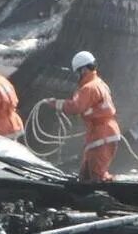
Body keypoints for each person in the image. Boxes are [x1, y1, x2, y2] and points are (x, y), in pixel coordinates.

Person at [52, 51, 121, 181]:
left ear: (83, 70)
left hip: (101, 134)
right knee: (85, 175)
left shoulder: (88, 88)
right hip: (103, 132)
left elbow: (76, 107)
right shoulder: (99, 83)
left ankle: (106, 198)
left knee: (97, 177)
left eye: (77, 72)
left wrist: (56, 104)